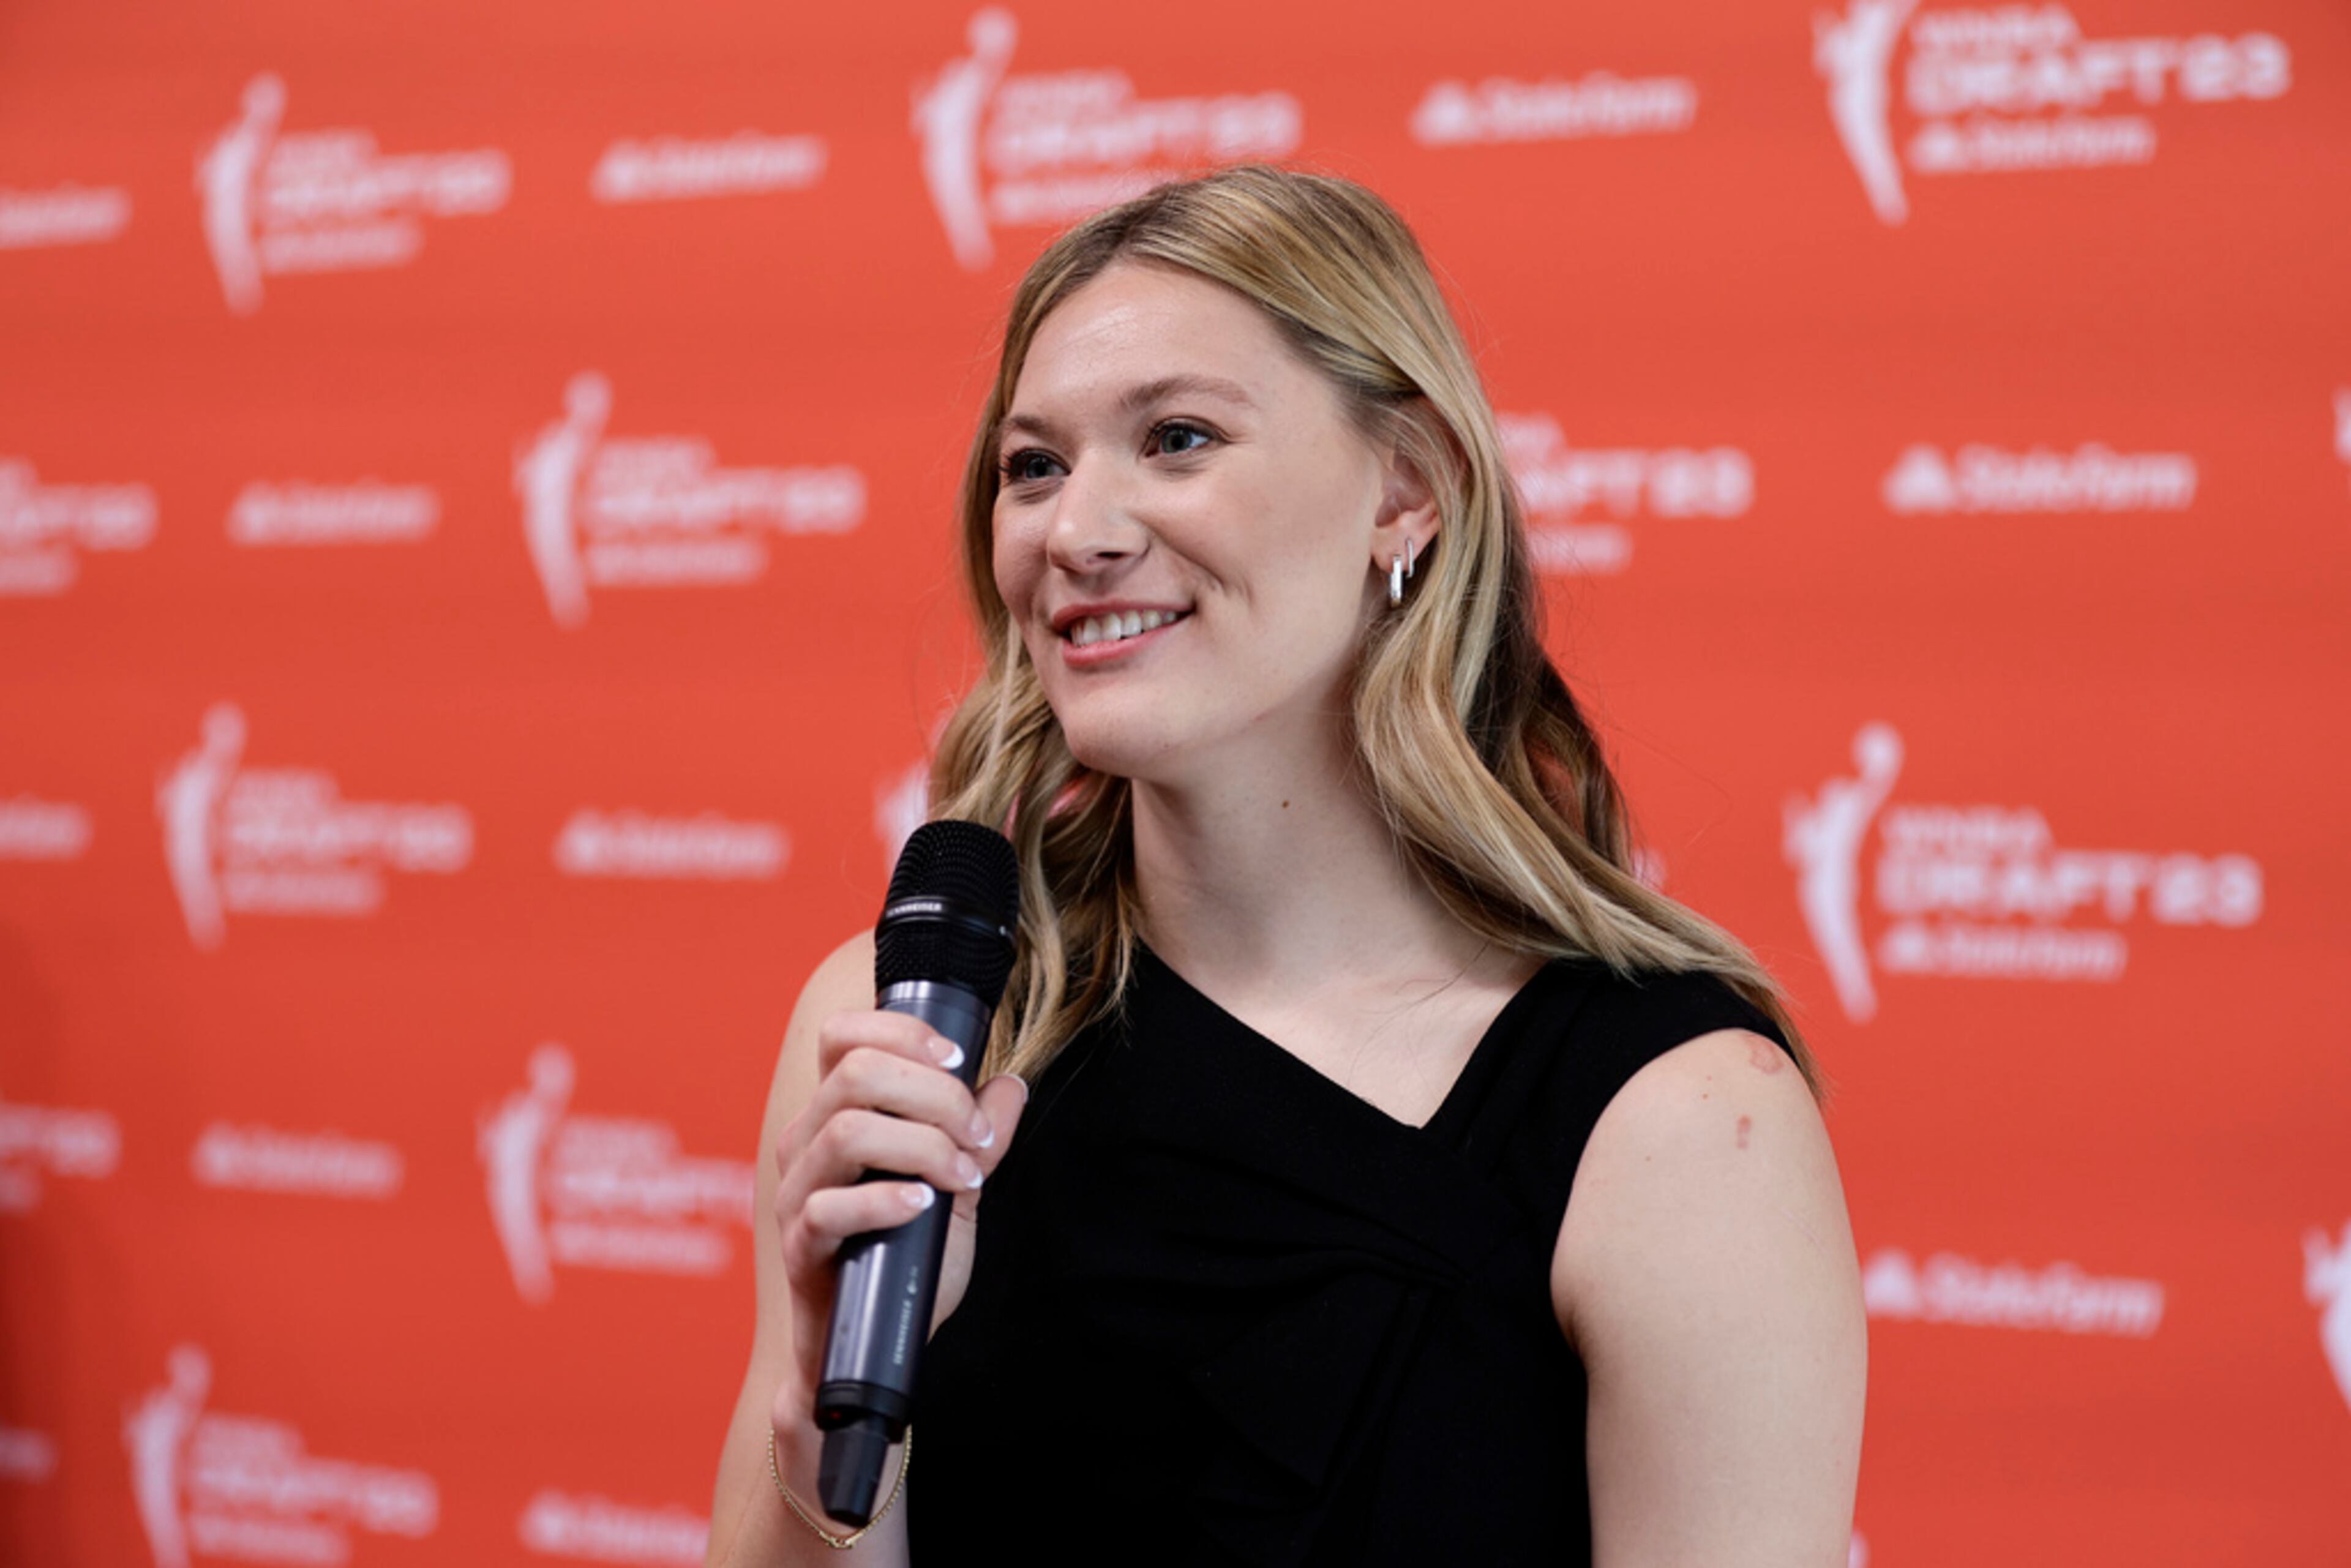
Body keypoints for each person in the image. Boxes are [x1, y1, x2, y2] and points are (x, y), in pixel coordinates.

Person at [703, 165, 1864, 1566]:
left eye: (1179, 437)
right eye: (1035, 465)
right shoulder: (907, 1035)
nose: (1078, 532)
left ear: (1408, 489)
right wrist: (829, 1436)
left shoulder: (1673, 1122)